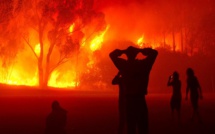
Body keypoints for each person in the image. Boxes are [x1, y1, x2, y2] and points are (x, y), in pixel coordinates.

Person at [109, 45, 158, 134]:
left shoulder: (124, 66)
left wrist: (123, 51)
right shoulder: (144, 65)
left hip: (129, 101)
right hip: (140, 99)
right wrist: (140, 50)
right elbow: (154, 53)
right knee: (143, 128)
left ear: (127, 55)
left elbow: (112, 55)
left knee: (131, 128)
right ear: (136, 54)